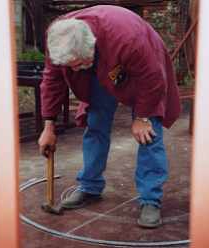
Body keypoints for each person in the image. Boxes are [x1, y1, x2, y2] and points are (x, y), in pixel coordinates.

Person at [38, 5, 180, 228]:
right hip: (101, 63)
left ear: (90, 46)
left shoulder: (129, 40)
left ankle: (150, 199)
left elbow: (153, 79)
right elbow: (52, 80)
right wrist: (48, 126)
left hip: (142, 66)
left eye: (78, 64)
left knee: (148, 132)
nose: (74, 70)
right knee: (95, 124)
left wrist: (141, 117)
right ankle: (90, 187)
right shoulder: (57, 37)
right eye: (70, 66)